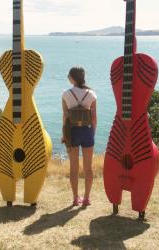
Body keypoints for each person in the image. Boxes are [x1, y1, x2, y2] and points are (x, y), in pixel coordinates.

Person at [61, 67, 97, 206]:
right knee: (88, 168)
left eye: (68, 76)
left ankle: (76, 198)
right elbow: (94, 119)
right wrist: (92, 133)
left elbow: (65, 117)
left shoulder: (66, 94)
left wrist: (65, 135)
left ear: (72, 78)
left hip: (72, 132)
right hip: (87, 132)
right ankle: (86, 198)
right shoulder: (92, 94)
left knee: (73, 168)